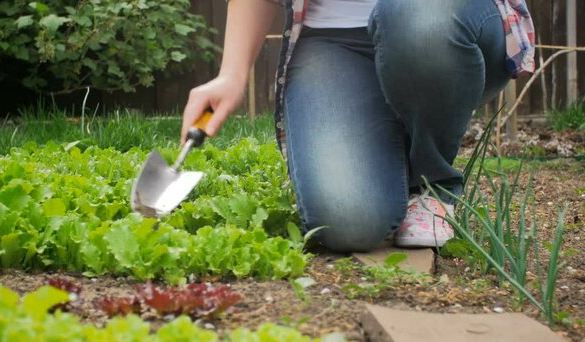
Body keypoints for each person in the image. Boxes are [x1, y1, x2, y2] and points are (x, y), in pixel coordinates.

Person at [181, 0, 535, 252]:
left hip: (444, 21)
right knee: (349, 222)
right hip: (333, 41)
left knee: (416, 19)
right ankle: (391, 134)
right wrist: (231, 73)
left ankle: (432, 184)